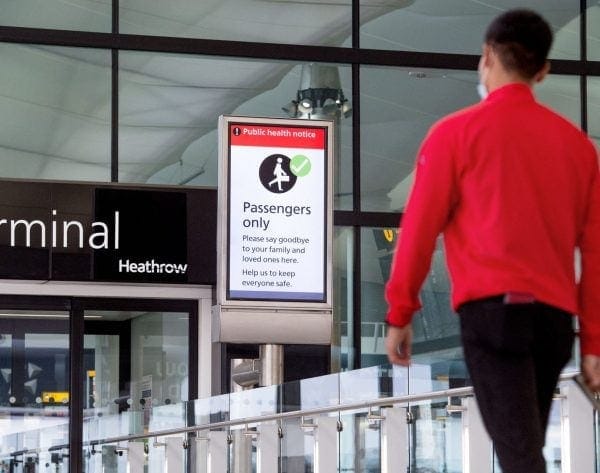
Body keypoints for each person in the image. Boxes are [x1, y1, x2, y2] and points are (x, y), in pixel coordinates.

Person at [384, 8, 600, 473]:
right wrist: (593, 343)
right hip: (553, 323)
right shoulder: (578, 147)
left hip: (492, 316)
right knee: (521, 446)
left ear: (486, 56)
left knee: (520, 454)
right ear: (543, 71)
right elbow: (596, 253)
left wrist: (401, 311)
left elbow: (419, 230)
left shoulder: (454, 134)